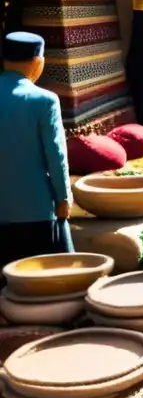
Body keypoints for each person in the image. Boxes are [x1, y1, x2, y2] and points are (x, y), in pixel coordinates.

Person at [0, 32, 73, 269]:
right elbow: (56, 155)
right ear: (38, 63)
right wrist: (63, 198)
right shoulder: (44, 100)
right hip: (36, 212)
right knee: (51, 279)